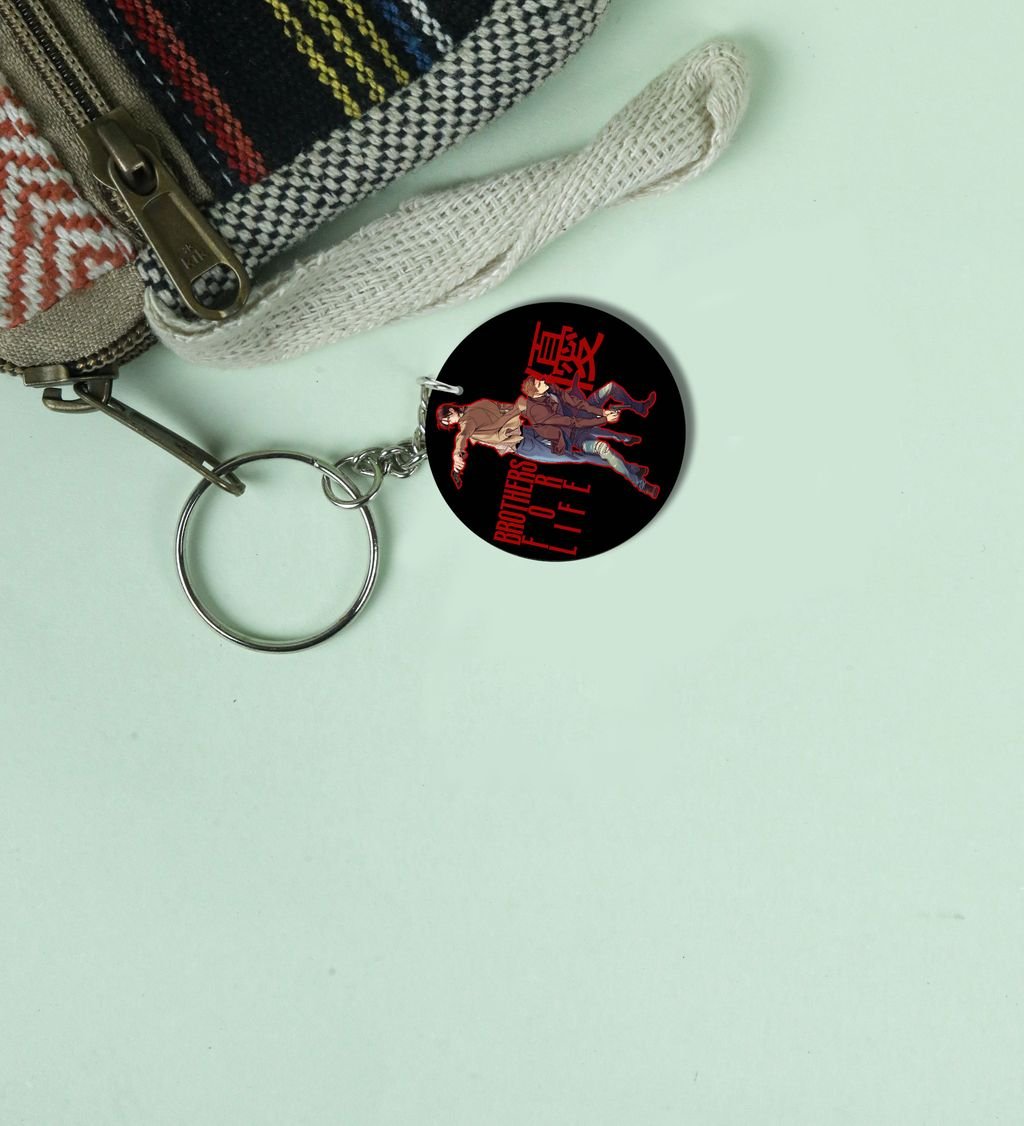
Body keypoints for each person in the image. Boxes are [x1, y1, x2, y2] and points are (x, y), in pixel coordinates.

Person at [517, 376, 661, 499]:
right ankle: (641, 484)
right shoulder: (537, 411)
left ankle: (640, 408)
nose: (543, 381)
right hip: (574, 437)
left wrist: (601, 412)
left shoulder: (550, 388)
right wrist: (603, 419)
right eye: (539, 383)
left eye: (540, 380)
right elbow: (571, 422)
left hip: (580, 415)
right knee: (604, 450)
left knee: (611, 387)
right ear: (534, 393)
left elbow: (574, 401)